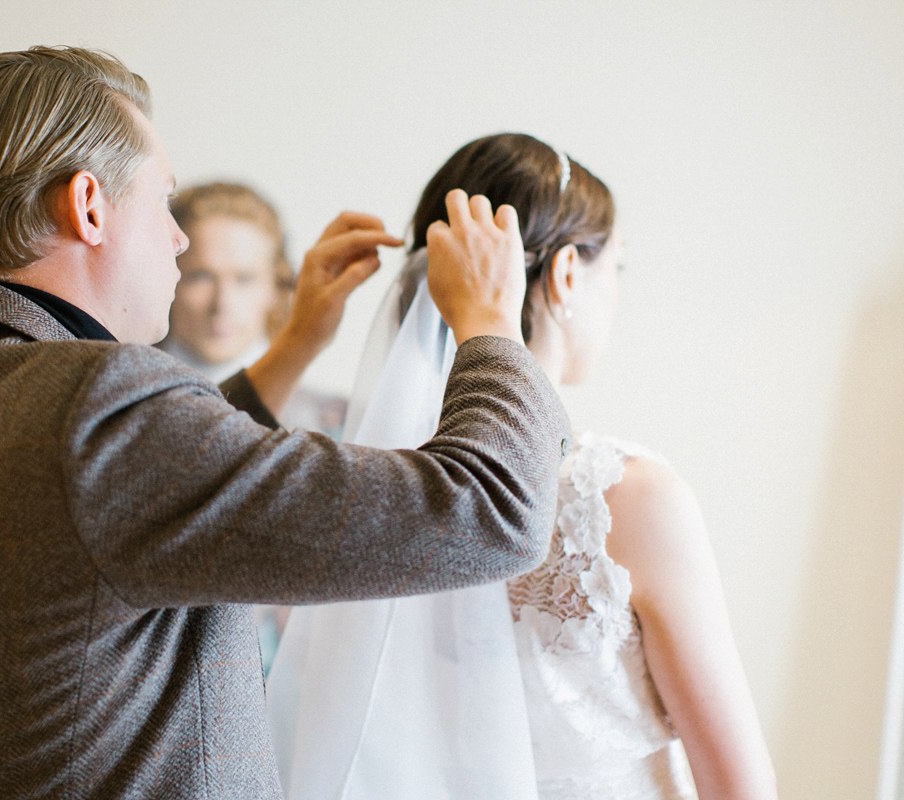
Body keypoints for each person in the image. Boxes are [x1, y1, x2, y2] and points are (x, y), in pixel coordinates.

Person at [0, 49, 573, 800]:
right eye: (163, 202)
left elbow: (130, 502)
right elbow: (490, 512)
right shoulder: (97, 407)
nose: (179, 240)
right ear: (88, 206)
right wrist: (488, 322)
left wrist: (293, 348)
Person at [267, 134, 777, 800]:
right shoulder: (629, 498)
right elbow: (739, 785)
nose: (615, 293)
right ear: (567, 274)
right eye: (615, 267)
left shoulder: (380, 492)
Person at [159, 182, 349, 672]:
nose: (221, 304)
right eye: (201, 275)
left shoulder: (337, 422)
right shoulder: (119, 402)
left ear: (276, 286)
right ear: (167, 275)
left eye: (244, 278)